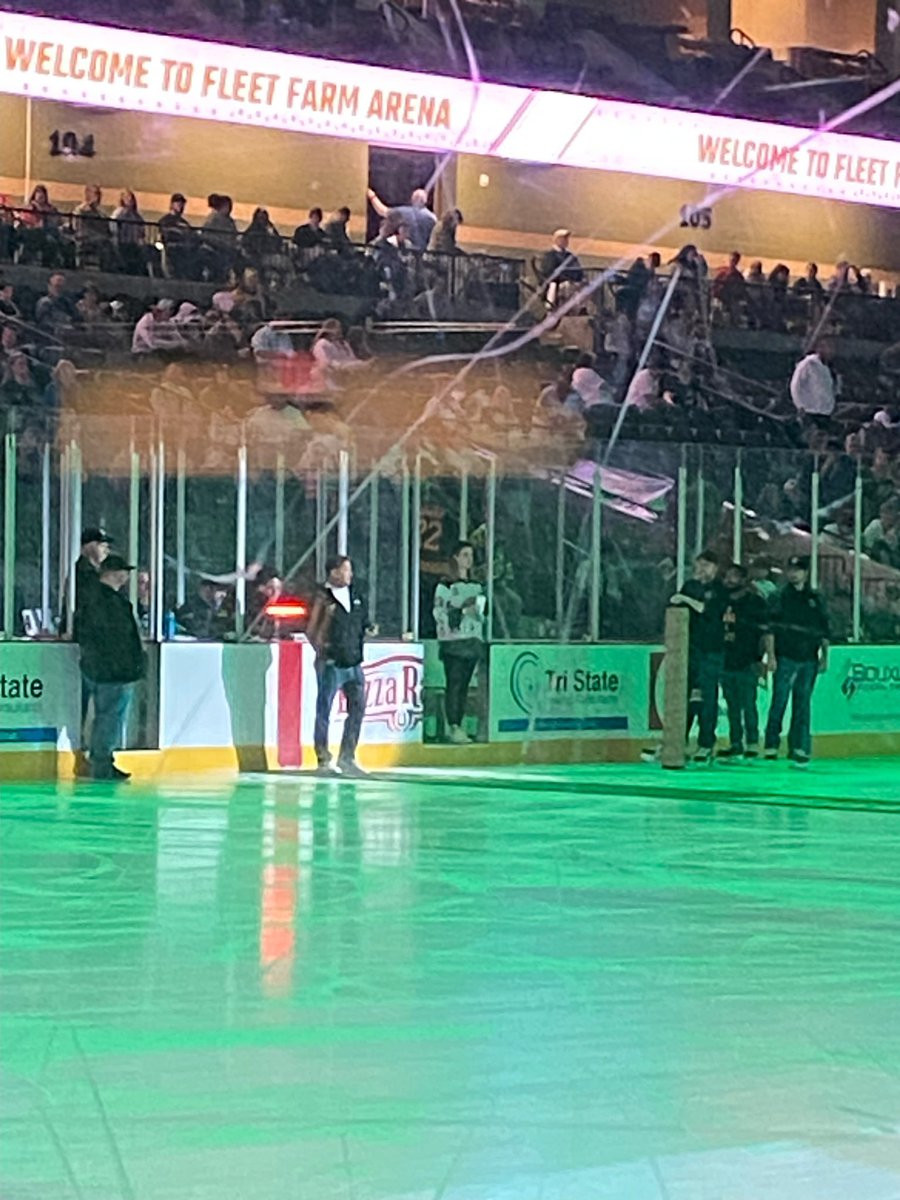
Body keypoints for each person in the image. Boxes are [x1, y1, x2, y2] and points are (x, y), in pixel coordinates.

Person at [74, 553, 145, 781]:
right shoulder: (113, 603)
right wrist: (131, 665)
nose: (126, 577)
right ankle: (102, 762)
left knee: (104, 716)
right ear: (114, 573)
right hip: (115, 671)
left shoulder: (87, 598)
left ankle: (100, 759)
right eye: (124, 572)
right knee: (110, 717)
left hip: (95, 667)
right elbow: (121, 639)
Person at [306, 555, 372, 776]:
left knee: (358, 708)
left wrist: (369, 629)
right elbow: (312, 630)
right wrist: (323, 651)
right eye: (346, 570)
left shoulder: (356, 596)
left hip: (354, 662)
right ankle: (323, 757)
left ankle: (348, 756)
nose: (350, 574)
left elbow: (364, 623)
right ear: (334, 572)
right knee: (324, 708)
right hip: (332, 663)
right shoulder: (322, 597)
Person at [763, 556, 830, 767]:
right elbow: (770, 629)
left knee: (802, 704)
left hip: (808, 658)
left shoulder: (815, 598)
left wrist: (825, 656)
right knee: (779, 700)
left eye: (798, 570)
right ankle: (771, 743)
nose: (794, 573)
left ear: (806, 573)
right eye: (791, 569)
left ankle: (799, 746)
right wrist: (771, 655)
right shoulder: (779, 597)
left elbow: (823, 630)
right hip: (785, 656)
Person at [670, 550, 727, 764]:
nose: (702, 569)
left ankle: (706, 743)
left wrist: (685, 599)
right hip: (690, 650)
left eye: (707, 565)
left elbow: (707, 610)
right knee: (686, 697)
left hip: (711, 651)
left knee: (707, 697)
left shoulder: (719, 590)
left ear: (715, 568)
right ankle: (678, 742)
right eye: (700, 564)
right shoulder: (691, 586)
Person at [433, 541, 485, 744]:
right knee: (454, 683)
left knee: (464, 685)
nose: (469, 559)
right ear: (455, 557)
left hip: (472, 640)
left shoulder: (477, 585)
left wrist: (478, 614)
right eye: (464, 555)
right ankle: (453, 725)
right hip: (453, 642)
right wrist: (462, 611)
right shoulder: (445, 585)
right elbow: (439, 612)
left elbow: (482, 613)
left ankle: (459, 723)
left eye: (471, 555)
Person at [719, 563, 770, 761]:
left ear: (743, 580)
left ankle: (752, 743)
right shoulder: (721, 601)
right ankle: (735, 743)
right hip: (726, 660)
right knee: (732, 705)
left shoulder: (756, 603)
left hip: (748, 661)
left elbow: (764, 633)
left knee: (748, 703)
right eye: (727, 576)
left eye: (734, 576)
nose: (729, 580)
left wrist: (761, 659)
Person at [367, 186, 436, 253]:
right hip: (424, 256)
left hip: (408, 254)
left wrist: (372, 196)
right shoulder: (433, 218)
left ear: (412, 199)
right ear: (425, 201)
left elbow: (383, 211)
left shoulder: (403, 213)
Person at [790, 341, 836, 417]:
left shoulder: (825, 367)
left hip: (823, 412)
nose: (831, 351)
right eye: (829, 347)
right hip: (810, 411)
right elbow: (796, 385)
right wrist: (801, 406)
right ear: (820, 348)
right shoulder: (810, 364)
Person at [158, 192, 196, 279]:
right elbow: (164, 235)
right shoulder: (165, 220)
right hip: (170, 250)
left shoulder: (184, 223)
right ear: (172, 204)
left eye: (182, 204)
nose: (181, 206)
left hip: (183, 251)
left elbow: (189, 235)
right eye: (178, 204)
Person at [111, 189, 148, 274]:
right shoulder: (119, 213)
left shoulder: (137, 216)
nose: (130, 200)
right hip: (123, 243)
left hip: (134, 245)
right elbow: (113, 227)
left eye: (131, 198)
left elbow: (141, 231)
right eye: (127, 198)